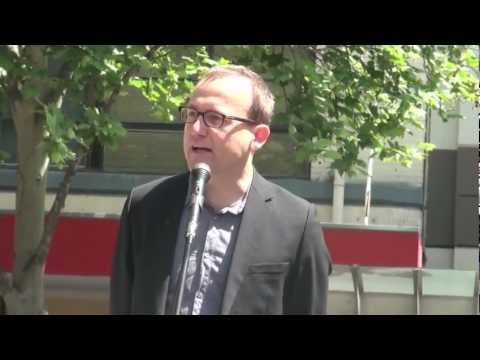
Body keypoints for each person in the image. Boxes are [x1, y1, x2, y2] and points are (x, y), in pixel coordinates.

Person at [110, 64, 332, 315]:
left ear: (258, 136)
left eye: (215, 118)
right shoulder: (145, 206)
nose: (195, 129)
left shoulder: (296, 222)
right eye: (191, 114)